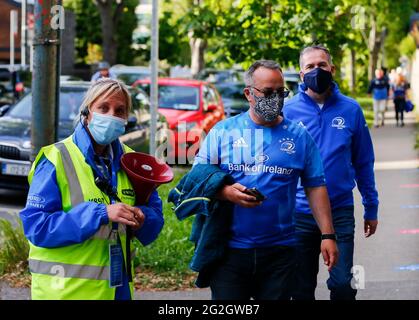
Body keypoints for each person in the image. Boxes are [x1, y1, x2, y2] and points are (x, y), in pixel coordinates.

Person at [174, 60, 338, 300]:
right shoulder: (223, 131)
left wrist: (327, 235)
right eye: (268, 92)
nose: (275, 98)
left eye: (280, 92)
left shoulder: (299, 136)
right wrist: (226, 192)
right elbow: (198, 177)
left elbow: (315, 186)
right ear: (249, 94)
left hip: (280, 252)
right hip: (228, 252)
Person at [20, 78, 164, 300]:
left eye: (120, 111)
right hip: (65, 293)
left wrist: (144, 218)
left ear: (126, 118)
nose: (111, 115)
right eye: (103, 108)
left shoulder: (132, 162)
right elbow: (37, 228)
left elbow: (154, 220)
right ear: (87, 113)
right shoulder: (57, 158)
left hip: (117, 292)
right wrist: (101, 213)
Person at [283, 45, 379, 300]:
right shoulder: (287, 112)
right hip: (299, 213)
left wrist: (371, 207)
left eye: (322, 65)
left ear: (332, 69)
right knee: (301, 288)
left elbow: (364, 162)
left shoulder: (351, 109)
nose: (317, 70)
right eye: (310, 67)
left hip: (340, 210)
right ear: (301, 74)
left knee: (342, 285)